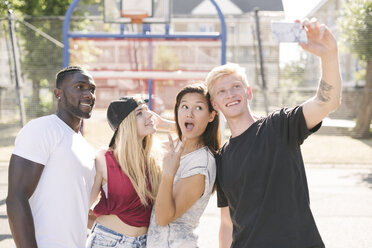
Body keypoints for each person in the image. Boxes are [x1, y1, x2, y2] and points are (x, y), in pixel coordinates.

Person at [206, 19, 342, 248]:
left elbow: (326, 102)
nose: (230, 94)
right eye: (221, 91)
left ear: (248, 91)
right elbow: (227, 224)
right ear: (215, 103)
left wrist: (329, 54)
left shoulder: (279, 126)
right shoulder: (221, 158)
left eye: (235, 86)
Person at [6, 66, 97, 248]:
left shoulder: (85, 148)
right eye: (80, 87)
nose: (89, 94)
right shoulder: (43, 129)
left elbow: (78, 210)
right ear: (58, 94)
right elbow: (16, 198)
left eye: (92, 89)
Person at [146, 82, 220, 247]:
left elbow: (163, 218)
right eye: (184, 106)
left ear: (211, 116)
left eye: (199, 108)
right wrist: (164, 123)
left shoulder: (201, 164)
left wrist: (168, 174)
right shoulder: (180, 146)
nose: (190, 114)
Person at [86, 96, 162, 248]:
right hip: (108, 241)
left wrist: (165, 124)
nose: (150, 115)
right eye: (140, 113)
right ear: (126, 124)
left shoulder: (154, 158)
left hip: (144, 242)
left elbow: (192, 135)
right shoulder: (105, 160)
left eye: (147, 110)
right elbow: (81, 206)